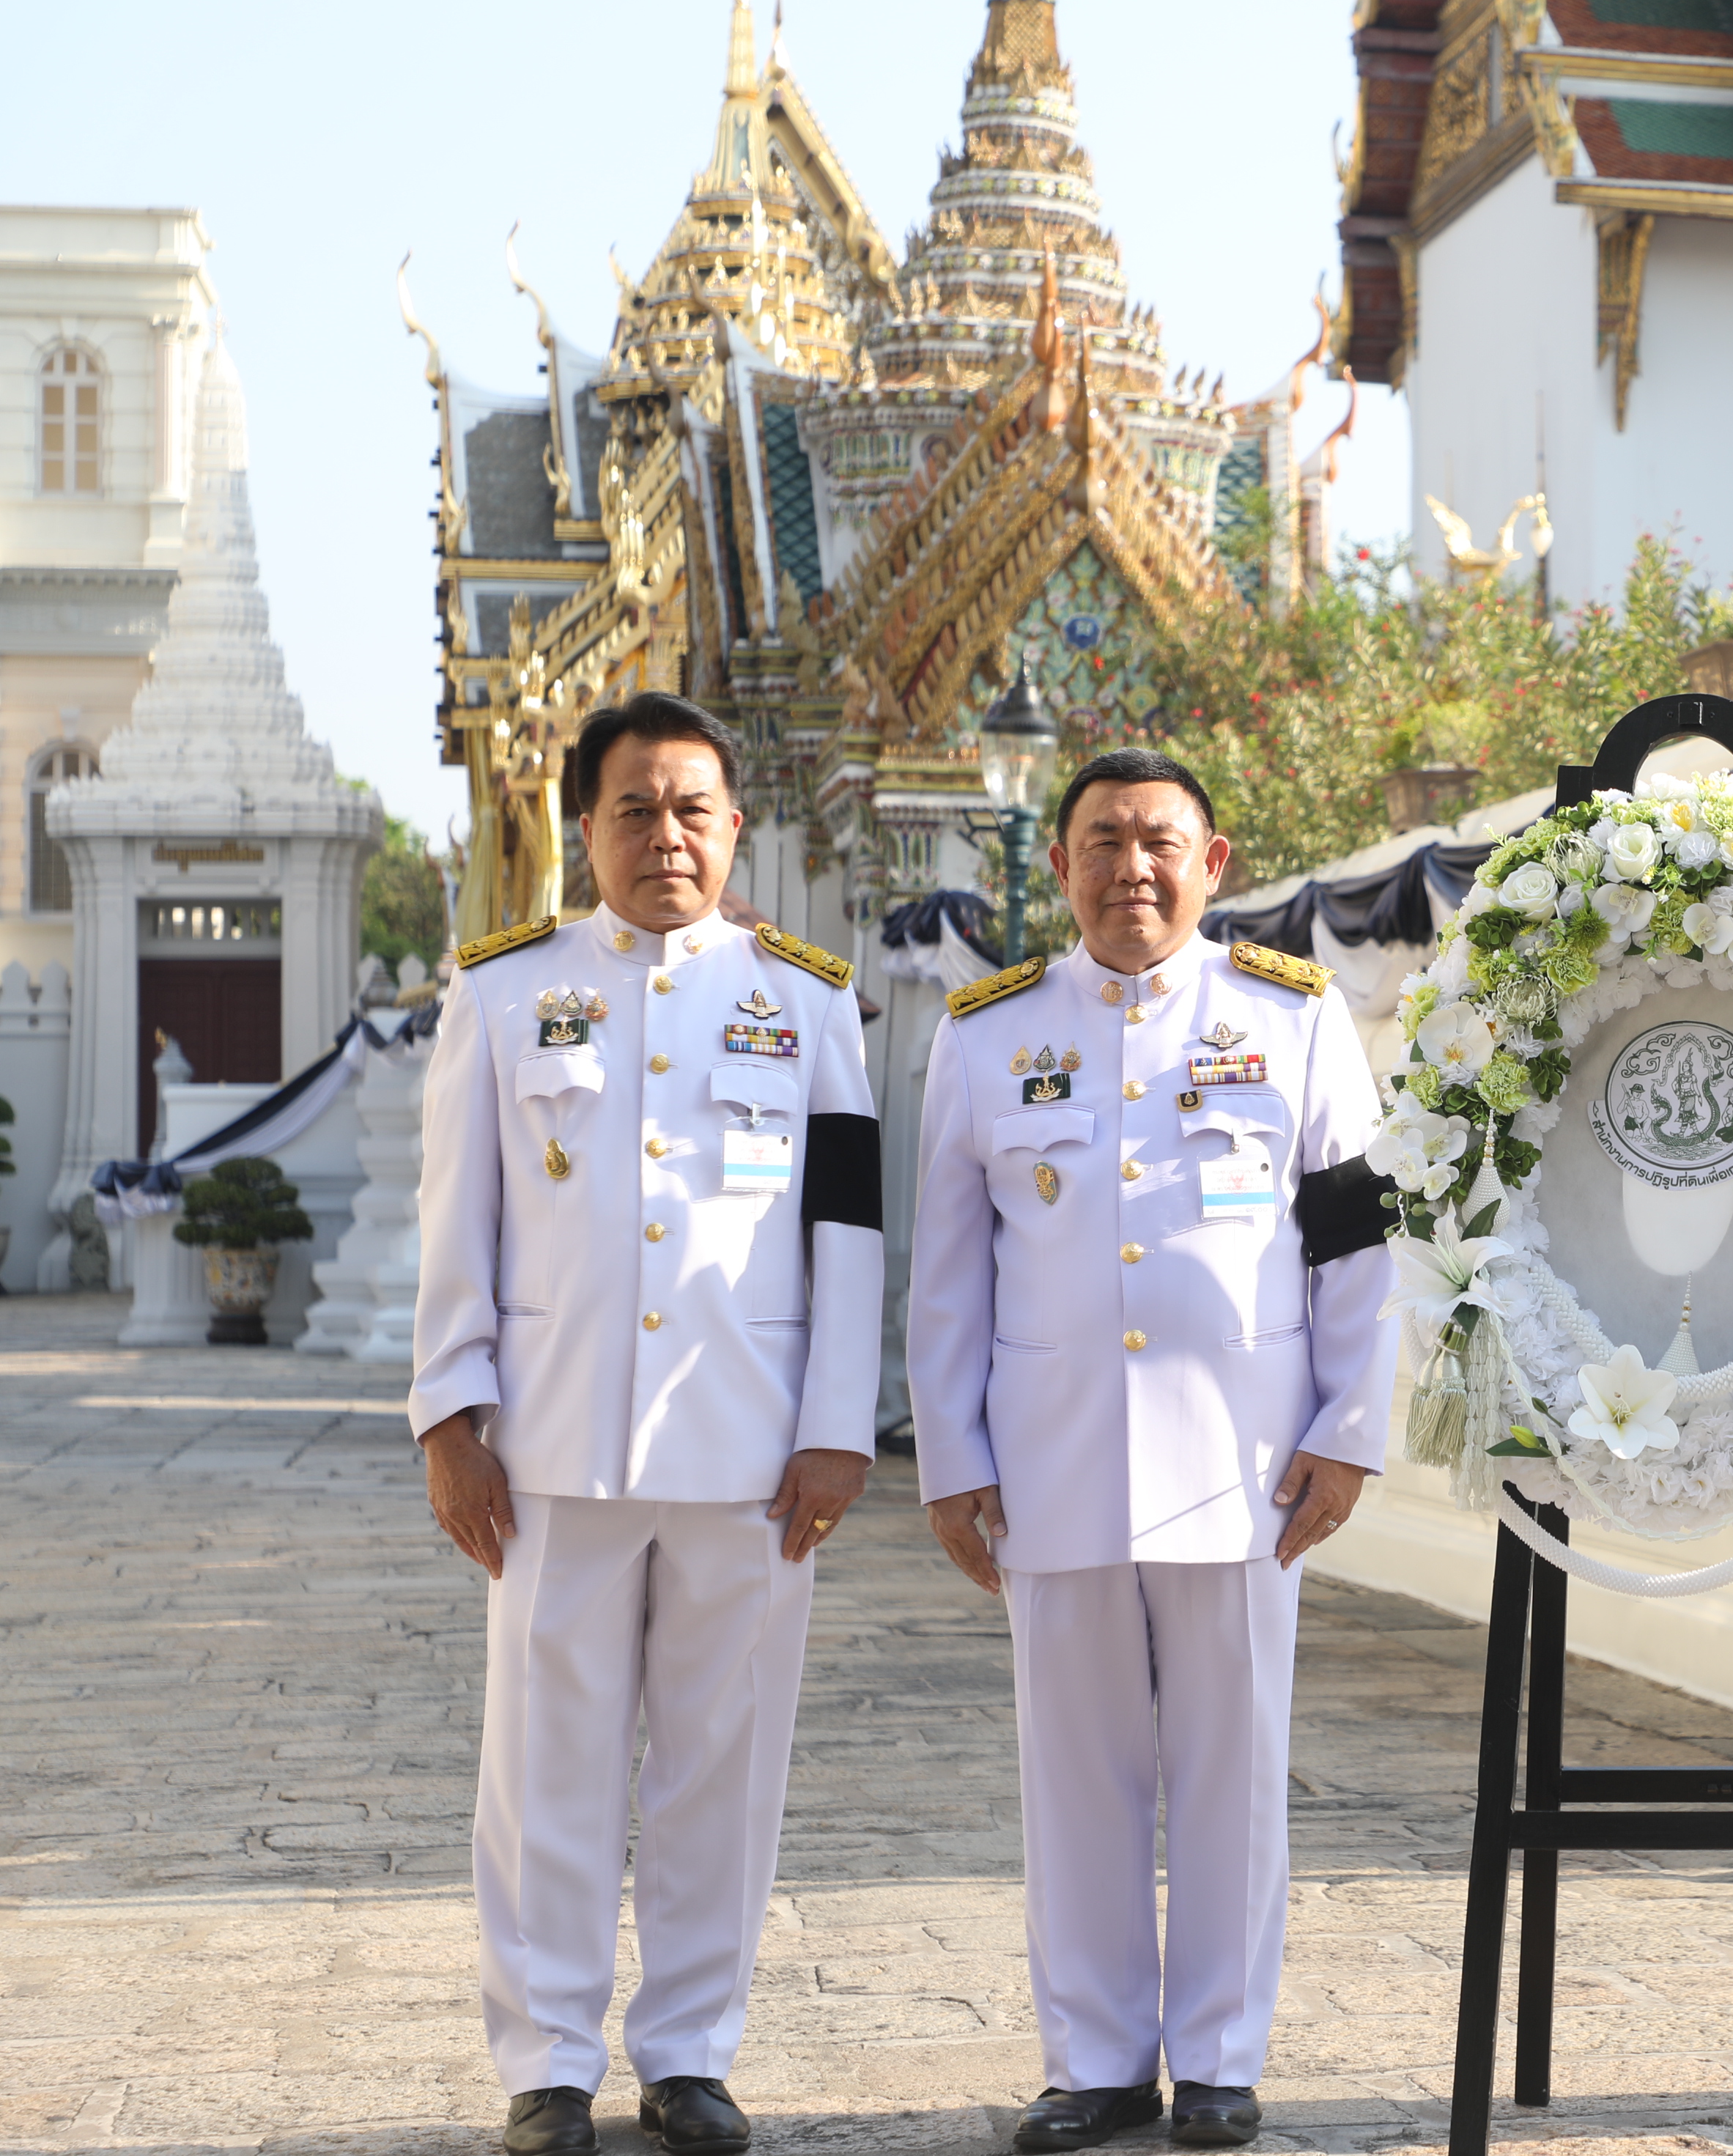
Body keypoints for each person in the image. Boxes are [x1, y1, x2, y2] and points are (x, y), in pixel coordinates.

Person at [410, 693, 882, 2156]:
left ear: (734, 828)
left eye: (691, 808)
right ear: (584, 829)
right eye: (634, 808)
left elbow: (849, 1227)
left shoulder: (807, 1001)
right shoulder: (500, 994)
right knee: (546, 1761)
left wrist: (840, 1422)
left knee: (721, 1762)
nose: (663, 835)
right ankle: (548, 2057)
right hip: (553, 1449)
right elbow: (458, 1223)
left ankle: (688, 2050)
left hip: (752, 1455)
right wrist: (449, 1414)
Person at [909, 750, 1397, 2152]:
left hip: (1246, 1465)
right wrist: (952, 1454)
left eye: (1160, 842)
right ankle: (1099, 2061)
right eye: (1104, 842)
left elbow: (1358, 1248)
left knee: (1235, 1766)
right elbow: (949, 1269)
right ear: (1059, 869)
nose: (1134, 867)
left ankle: (1225, 2056)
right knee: (1076, 1774)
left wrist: (1349, 1431)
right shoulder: (988, 1034)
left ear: (1216, 861)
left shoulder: (1294, 1020)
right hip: (1053, 1457)